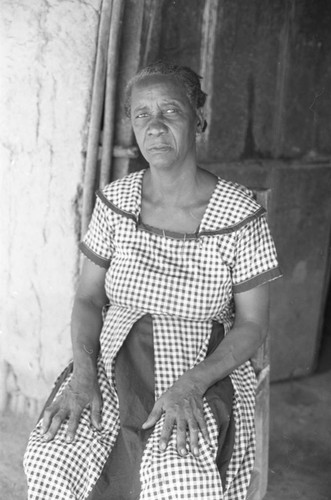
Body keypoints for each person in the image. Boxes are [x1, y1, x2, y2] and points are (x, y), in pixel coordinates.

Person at [24, 61, 281, 500]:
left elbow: (253, 325)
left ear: (198, 119)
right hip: (112, 359)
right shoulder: (116, 200)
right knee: (54, 456)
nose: (155, 126)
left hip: (201, 364)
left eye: (170, 112)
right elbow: (88, 298)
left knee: (177, 476)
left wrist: (191, 385)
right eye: (142, 114)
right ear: (131, 123)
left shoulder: (239, 214)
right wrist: (84, 377)